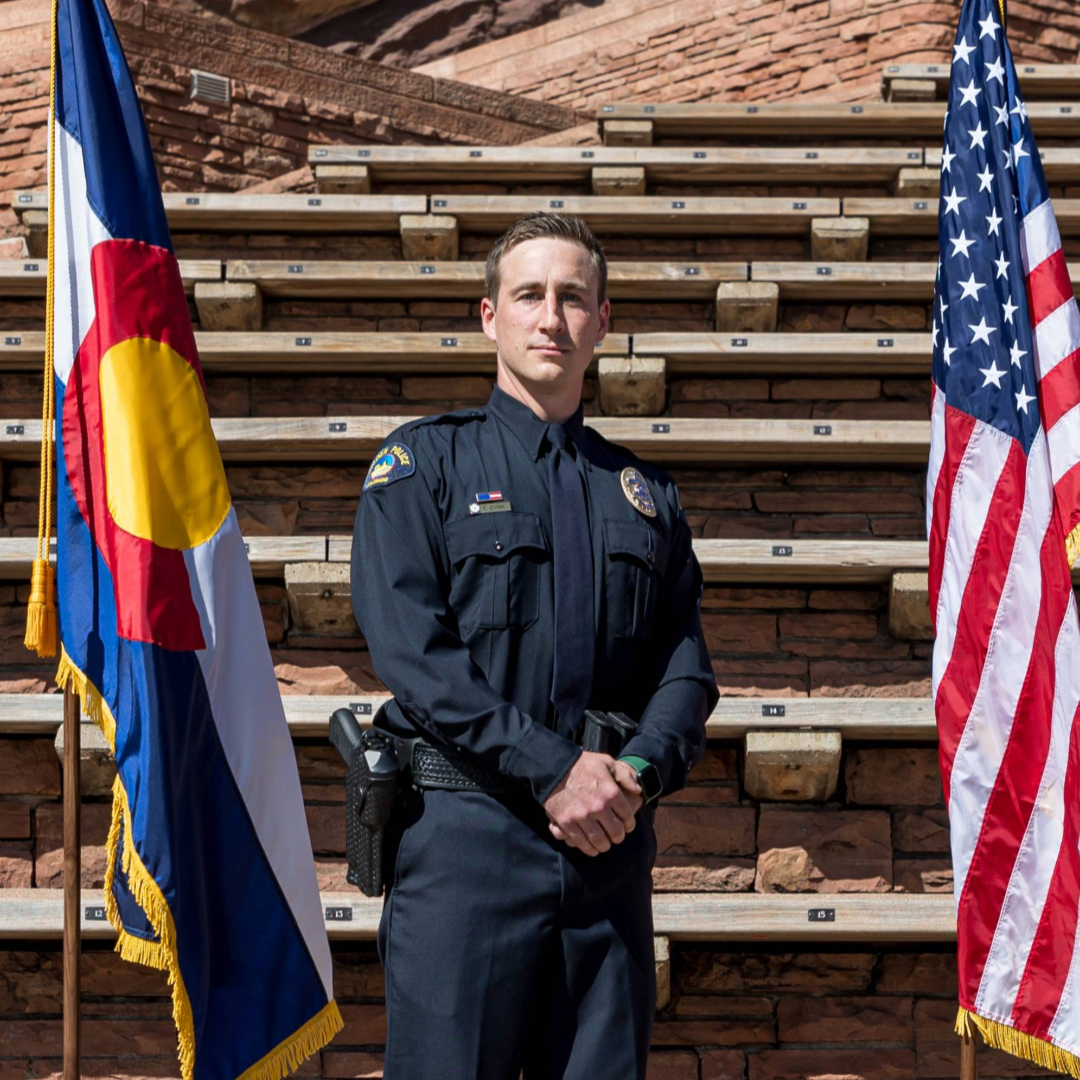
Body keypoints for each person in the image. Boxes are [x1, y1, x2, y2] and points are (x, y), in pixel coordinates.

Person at [350, 212, 718, 1080]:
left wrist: (635, 774)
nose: (552, 317)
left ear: (603, 322)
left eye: (574, 298)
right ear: (490, 316)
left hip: (610, 847)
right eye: (530, 295)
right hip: (465, 840)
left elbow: (686, 665)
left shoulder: (645, 494)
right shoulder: (421, 467)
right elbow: (415, 654)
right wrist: (553, 769)